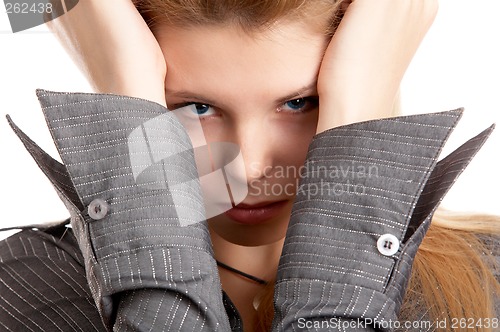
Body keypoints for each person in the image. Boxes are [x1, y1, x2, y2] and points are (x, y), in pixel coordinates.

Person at [0, 0, 498, 331]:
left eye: (300, 103)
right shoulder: (19, 288)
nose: (252, 167)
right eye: (195, 107)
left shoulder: (490, 280)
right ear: (134, 96)